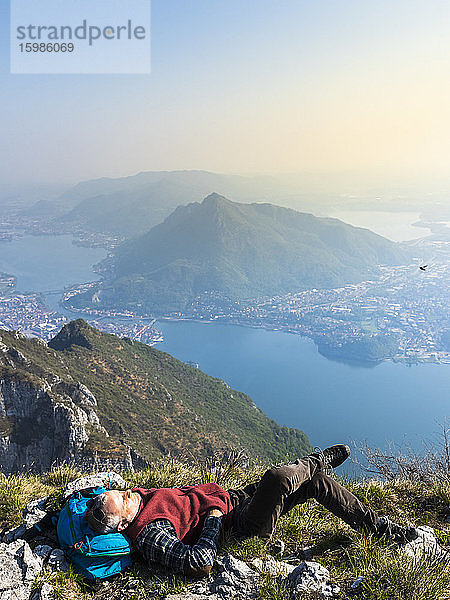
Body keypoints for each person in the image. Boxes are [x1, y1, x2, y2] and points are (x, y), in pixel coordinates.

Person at [86, 445, 418, 578]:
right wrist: (214, 522)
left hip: (232, 498)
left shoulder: (135, 501)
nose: (130, 492)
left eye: (122, 490)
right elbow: (197, 562)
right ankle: (317, 459)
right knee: (277, 478)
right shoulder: (148, 533)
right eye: (125, 499)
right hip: (237, 524)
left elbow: (86, 496)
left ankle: (378, 528)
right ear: (122, 524)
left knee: (315, 484)